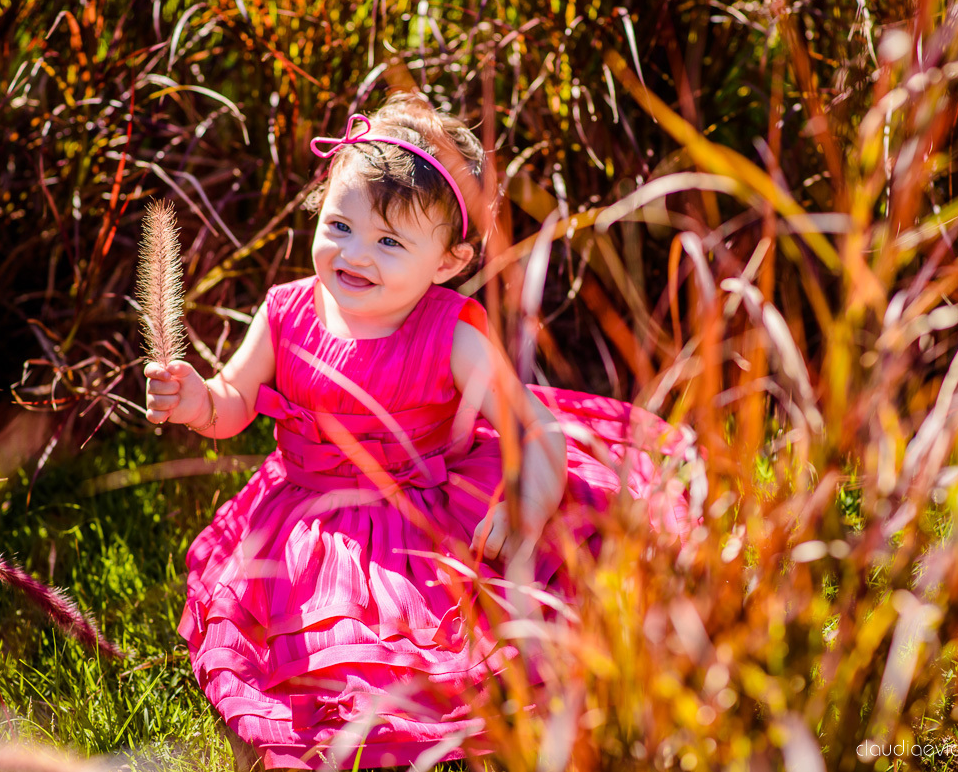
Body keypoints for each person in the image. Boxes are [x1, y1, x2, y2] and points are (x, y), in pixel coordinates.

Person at [144, 93, 692, 770]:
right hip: (309, 522)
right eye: (341, 225)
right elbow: (234, 400)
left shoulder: (452, 334)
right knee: (313, 660)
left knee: (439, 656)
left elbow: (539, 433)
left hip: (426, 516)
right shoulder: (286, 311)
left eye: (390, 241)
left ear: (447, 260)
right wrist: (198, 398)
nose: (356, 253)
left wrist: (525, 502)